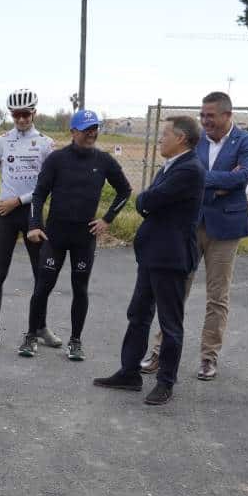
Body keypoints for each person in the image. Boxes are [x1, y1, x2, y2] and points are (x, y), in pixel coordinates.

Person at [140, 92, 248, 380]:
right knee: (175, 290)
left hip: (226, 228)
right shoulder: (197, 140)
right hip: (190, 224)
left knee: (217, 296)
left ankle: (209, 357)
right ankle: (160, 352)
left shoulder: (247, 141)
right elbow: (185, 174)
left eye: (211, 116)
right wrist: (214, 182)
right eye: (202, 115)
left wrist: (199, 178)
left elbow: (243, 177)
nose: (205, 121)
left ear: (227, 115)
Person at [93, 116, 205, 406]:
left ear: (181, 138)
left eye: (165, 134)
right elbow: (148, 201)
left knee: (169, 323)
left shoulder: (189, 169)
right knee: (139, 314)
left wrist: (145, 200)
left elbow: (148, 201)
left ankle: (166, 382)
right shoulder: (172, 166)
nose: (160, 138)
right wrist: (146, 201)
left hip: (171, 257)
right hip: (154, 255)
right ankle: (129, 372)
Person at [21, 108, 132, 361]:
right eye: (86, 129)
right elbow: (39, 194)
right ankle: (30, 335)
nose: (92, 133)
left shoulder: (104, 161)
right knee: (42, 287)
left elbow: (124, 191)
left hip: (84, 237)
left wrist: (107, 219)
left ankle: (75, 341)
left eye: (95, 129)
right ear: (73, 132)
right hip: (55, 236)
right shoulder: (57, 159)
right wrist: (34, 225)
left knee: (80, 289)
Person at [0, 89, 59, 349]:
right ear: (11, 115)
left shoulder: (46, 144)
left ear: (34, 112)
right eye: (17, 115)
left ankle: (40, 327)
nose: (22, 119)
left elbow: (48, 185)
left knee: (41, 273)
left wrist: (19, 200)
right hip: (6, 215)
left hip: (32, 214)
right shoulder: (1, 142)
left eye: (26, 114)